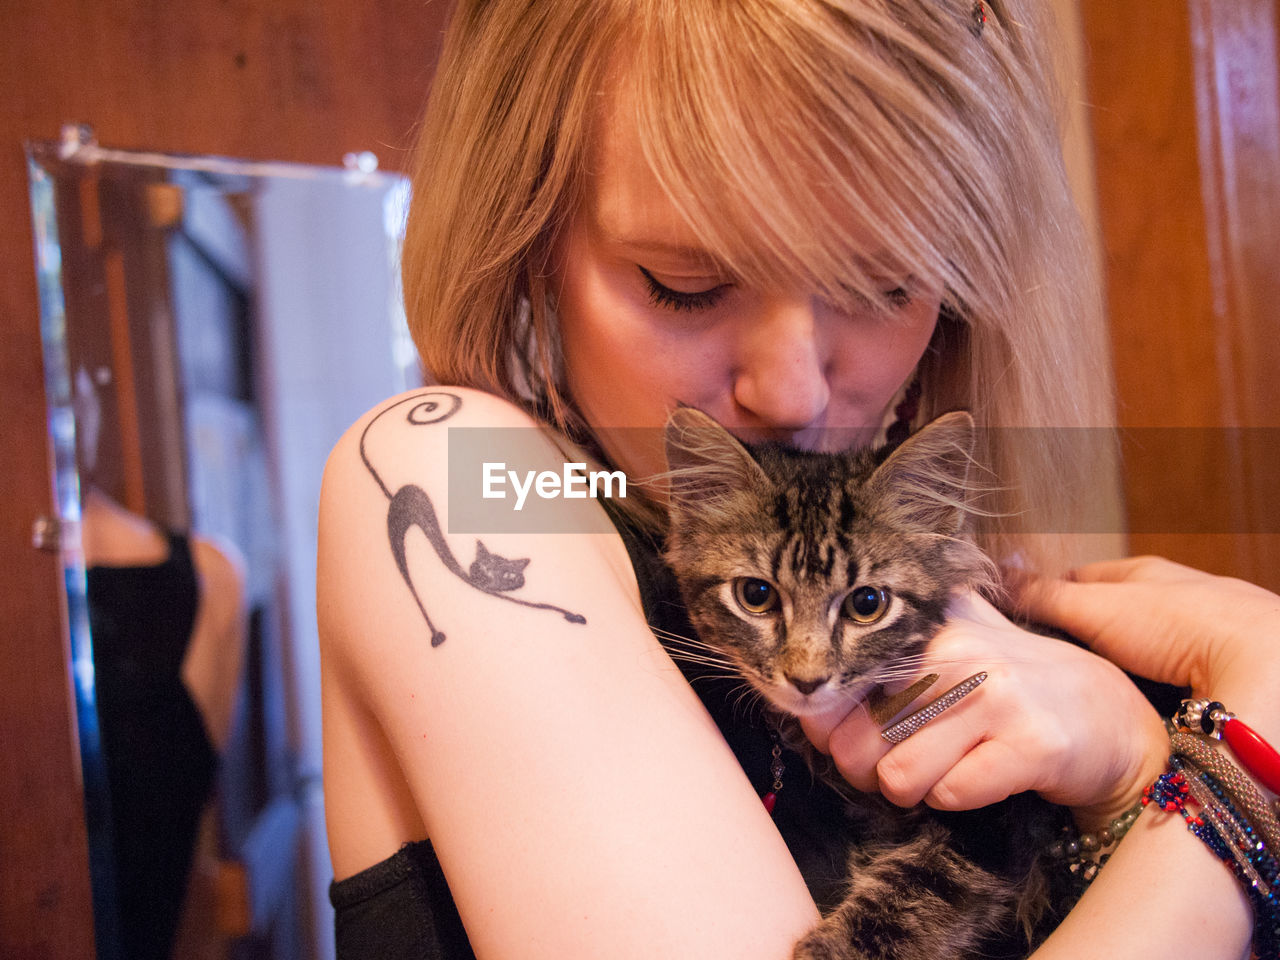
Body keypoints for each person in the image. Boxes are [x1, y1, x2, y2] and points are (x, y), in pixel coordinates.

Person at [317, 2, 1280, 958]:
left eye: (881, 283)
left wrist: (1131, 773)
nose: (789, 390)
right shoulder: (453, 473)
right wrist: (1250, 763)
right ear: (525, 233)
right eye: (684, 283)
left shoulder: (950, 578)